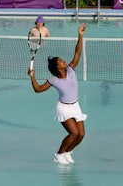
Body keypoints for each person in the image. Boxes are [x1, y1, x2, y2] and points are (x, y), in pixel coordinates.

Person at [27, 24, 87, 165]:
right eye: (61, 61)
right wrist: (32, 77)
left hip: (75, 106)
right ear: (57, 67)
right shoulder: (53, 80)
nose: (64, 61)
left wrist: (80, 35)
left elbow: (77, 53)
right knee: (73, 134)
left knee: (81, 135)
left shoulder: (71, 70)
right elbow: (38, 89)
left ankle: (67, 152)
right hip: (64, 108)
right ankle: (58, 154)